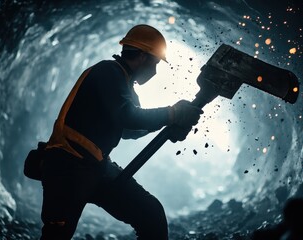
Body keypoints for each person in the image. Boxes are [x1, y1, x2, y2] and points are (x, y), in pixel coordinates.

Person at [40, 24, 203, 240]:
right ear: (143, 57)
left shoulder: (125, 85)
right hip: (67, 165)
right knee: (57, 234)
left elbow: (129, 131)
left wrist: (168, 123)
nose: (155, 72)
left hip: (96, 167)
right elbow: (127, 116)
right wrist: (172, 114)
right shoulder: (107, 71)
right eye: (155, 64)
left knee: (151, 214)